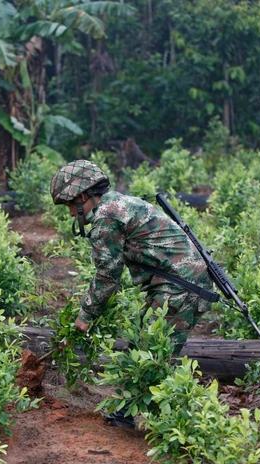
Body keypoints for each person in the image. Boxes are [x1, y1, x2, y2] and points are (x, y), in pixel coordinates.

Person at [50, 160, 212, 427]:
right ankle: (127, 416)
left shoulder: (106, 217)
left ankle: (179, 427)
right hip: (177, 283)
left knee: (154, 356)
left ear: (81, 196)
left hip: (180, 288)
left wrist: (86, 316)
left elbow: (107, 276)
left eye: (69, 205)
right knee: (143, 347)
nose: (70, 214)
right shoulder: (117, 203)